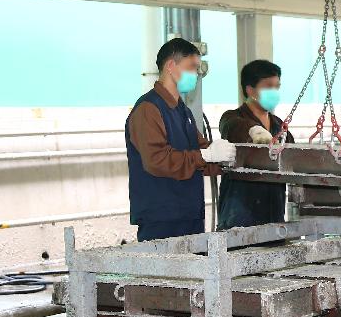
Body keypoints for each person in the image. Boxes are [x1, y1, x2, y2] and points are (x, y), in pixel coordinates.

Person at [126, 38, 236, 242]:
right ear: (170, 66)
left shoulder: (181, 110)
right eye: (192, 67)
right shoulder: (148, 109)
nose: (196, 74)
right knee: (165, 273)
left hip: (188, 214)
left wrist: (227, 159)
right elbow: (157, 160)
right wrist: (206, 155)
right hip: (161, 219)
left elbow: (200, 151)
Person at [217, 60, 294, 229]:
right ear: (250, 90)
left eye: (277, 86)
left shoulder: (279, 126)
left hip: (274, 215)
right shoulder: (232, 118)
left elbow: (293, 158)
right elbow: (232, 128)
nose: (274, 92)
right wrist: (255, 131)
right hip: (239, 216)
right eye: (268, 86)